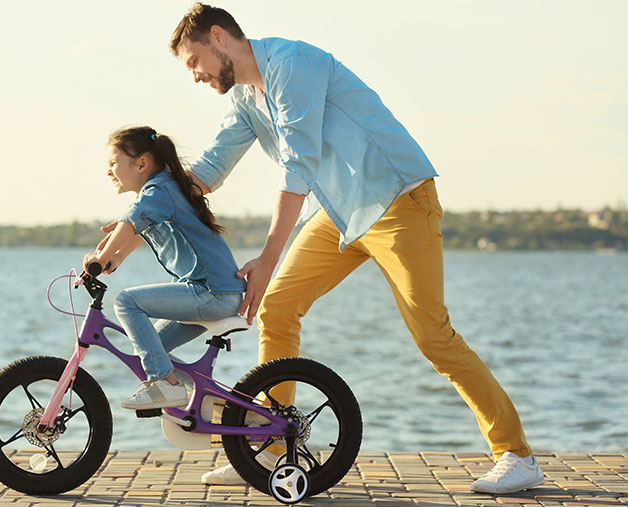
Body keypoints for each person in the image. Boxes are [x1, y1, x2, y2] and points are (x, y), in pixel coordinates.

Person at [165, 2, 544, 495]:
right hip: (340, 214)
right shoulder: (245, 98)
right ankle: (274, 447)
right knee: (278, 307)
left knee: (433, 336)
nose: (195, 76)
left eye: (194, 63)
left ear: (219, 38)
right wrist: (151, 199)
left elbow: (298, 164)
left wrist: (268, 256)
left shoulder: (291, 64)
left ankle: (516, 454)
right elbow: (211, 169)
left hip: (399, 201)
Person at [84, 126, 246, 411]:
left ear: (142, 163)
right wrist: (114, 258)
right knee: (150, 346)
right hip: (216, 291)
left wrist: (101, 257)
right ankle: (226, 409)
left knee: (126, 302)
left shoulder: (159, 189)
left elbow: (132, 221)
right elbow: (140, 228)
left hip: (211, 292)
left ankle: (165, 385)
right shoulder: (165, 188)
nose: (108, 172)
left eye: (113, 163)